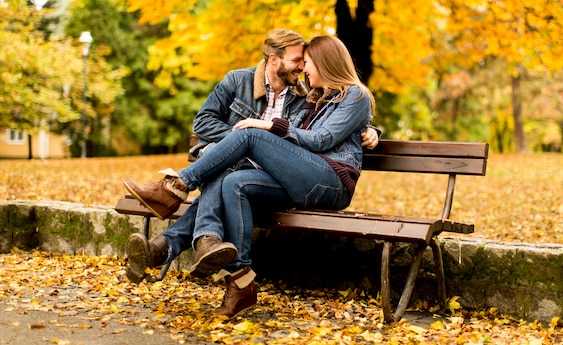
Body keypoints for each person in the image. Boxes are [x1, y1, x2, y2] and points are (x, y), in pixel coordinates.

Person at [124, 35, 376, 318]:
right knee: (234, 182)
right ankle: (241, 281)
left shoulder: (355, 95)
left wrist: (269, 125)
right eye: (302, 63)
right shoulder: (312, 98)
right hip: (302, 179)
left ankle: (174, 189)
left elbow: (322, 138)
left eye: (309, 63)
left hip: (330, 182)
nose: (305, 69)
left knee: (250, 134)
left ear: (327, 64)